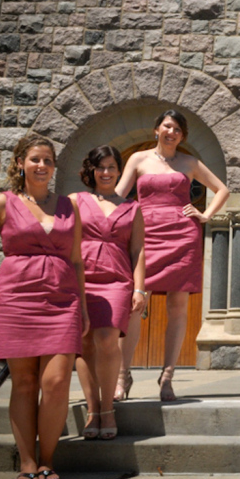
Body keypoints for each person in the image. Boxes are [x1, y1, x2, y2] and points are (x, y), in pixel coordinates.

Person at [0, 136, 88, 479]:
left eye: (48, 160)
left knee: (56, 383)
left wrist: (83, 306)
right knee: (25, 383)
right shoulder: (3, 203)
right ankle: (27, 463)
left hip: (62, 300)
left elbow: (75, 260)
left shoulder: (68, 207)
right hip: (18, 299)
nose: (42, 166)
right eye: (35, 160)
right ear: (20, 164)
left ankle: (47, 460)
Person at [115, 110, 229, 401]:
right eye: (167, 126)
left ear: (182, 135)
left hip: (182, 236)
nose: (171, 132)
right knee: (135, 304)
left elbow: (221, 189)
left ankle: (167, 376)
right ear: (157, 129)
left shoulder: (189, 163)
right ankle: (121, 376)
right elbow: (118, 195)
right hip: (147, 235)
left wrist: (205, 215)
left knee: (178, 308)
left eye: (177, 129)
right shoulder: (138, 159)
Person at [70, 146, 146, 439]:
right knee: (85, 343)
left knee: (107, 338)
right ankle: (93, 410)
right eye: (100, 167)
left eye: (112, 166)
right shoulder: (76, 201)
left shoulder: (132, 207)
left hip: (116, 279)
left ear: (119, 170)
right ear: (91, 170)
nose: (106, 172)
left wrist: (140, 287)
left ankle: (108, 408)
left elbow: (138, 249)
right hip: (81, 277)